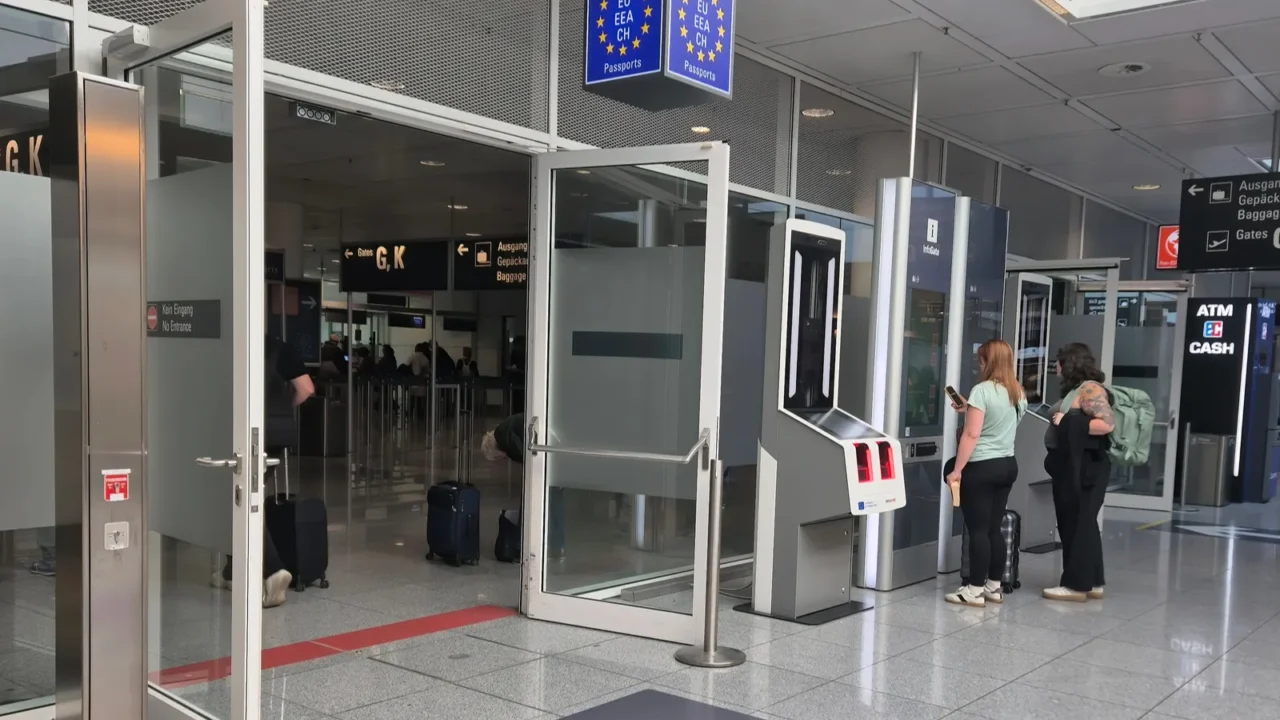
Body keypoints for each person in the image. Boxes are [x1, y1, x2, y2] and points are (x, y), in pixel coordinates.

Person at [214, 335, 315, 608]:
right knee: (241, 499)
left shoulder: (229, 343)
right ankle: (231, 571)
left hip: (237, 433)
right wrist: (280, 410)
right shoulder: (280, 347)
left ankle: (272, 570)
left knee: (238, 501)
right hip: (274, 435)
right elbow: (306, 388)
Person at [944, 339, 1027, 608]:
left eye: (981, 360)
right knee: (994, 529)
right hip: (1007, 465)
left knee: (977, 530)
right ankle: (993, 586)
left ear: (987, 362)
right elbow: (998, 422)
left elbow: (972, 434)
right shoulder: (1018, 392)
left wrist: (957, 470)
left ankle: (973, 590)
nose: (979, 365)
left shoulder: (982, 390)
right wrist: (969, 407)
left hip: (981, 466)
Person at [1043, 342, 1114, 603]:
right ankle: (1093, 580)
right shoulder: (1077, 390)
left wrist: (1069, 421)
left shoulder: (1090, 389)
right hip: (1075, 465)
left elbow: (1106, 424)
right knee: (1084, 523)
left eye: (1059, 362)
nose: (1057, 368)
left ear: (1069, 363)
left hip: (1085, 467)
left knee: (1078, 523)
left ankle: (1076, 584)